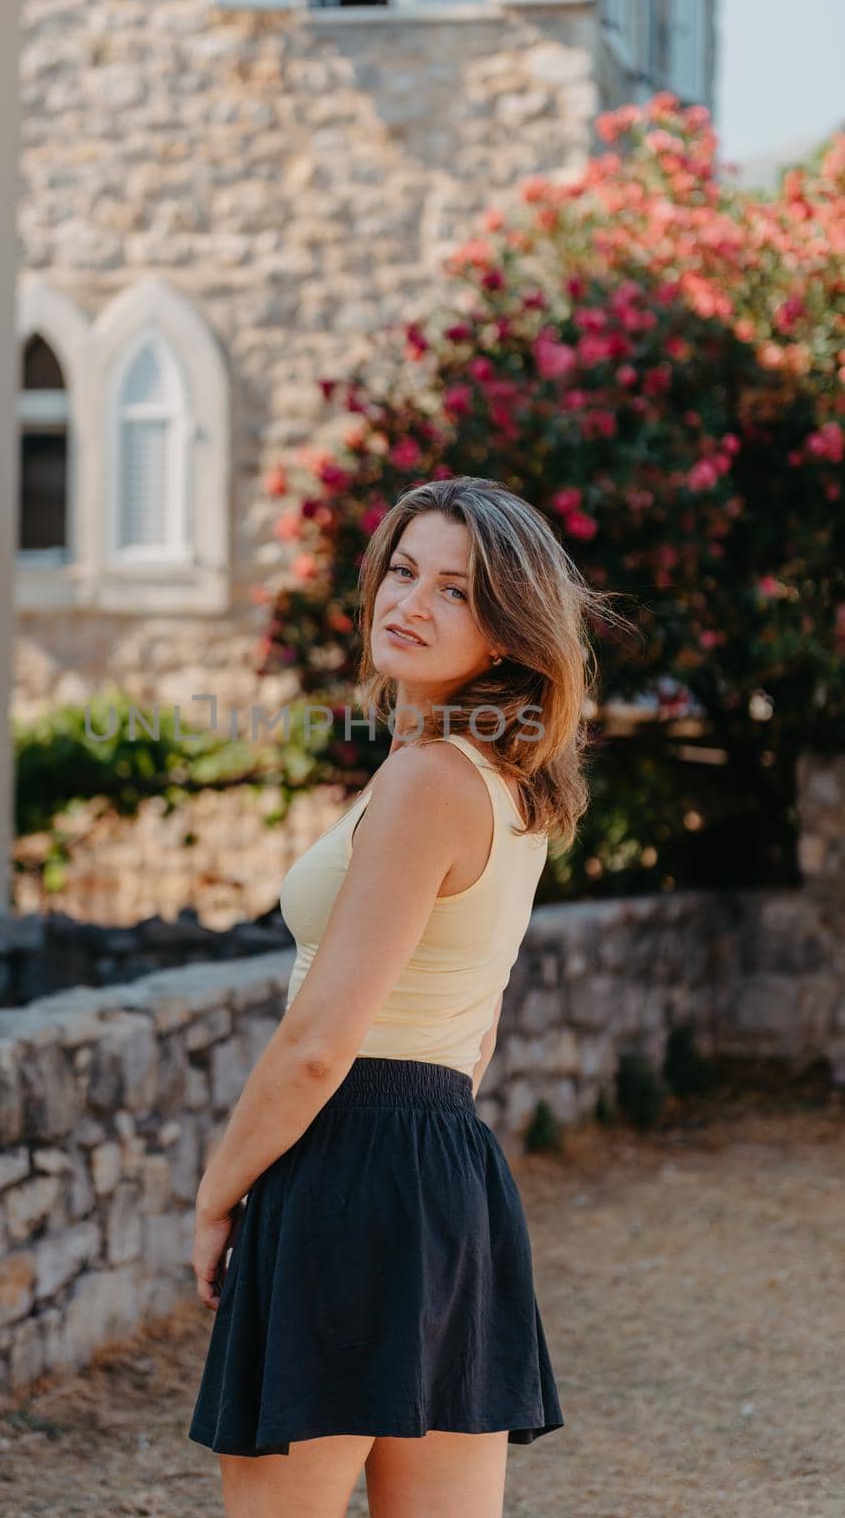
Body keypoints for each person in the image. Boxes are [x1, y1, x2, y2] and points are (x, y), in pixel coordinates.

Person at [188, 475, 623, 1517]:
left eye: (457, 591)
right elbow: (477, 1026)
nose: (410, 603)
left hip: (347, 1165)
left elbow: (317, 1045)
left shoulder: (432, 781)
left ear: (511, 631)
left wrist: (216, 1196)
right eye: (402, 570)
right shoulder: (505, 785)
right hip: (447, 1168)